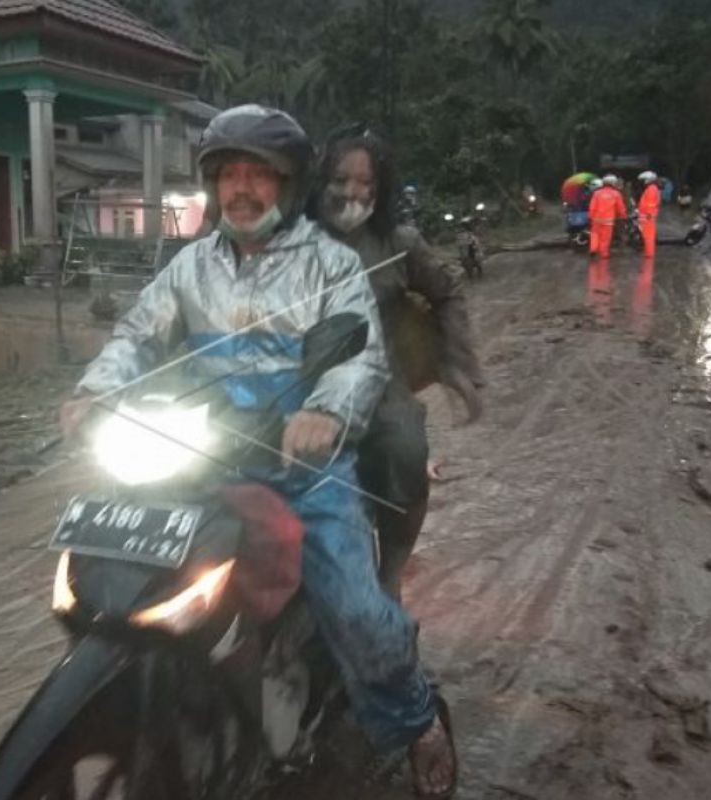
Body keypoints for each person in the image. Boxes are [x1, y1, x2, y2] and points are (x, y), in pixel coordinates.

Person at [60, 105, 457, 797]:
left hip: (303, 467)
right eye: (227, 175)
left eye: (258, 175)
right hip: (198, 460)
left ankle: (414, 715)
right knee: (112, 576)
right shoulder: (189, 268)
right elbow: (137, 334)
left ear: (290, 184)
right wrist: (95, 390)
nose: (241, 189)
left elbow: (356, 357)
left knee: (359, 612)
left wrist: (324, 412)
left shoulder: (330, 264)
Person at [308, 122, 483, 600]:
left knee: (406, 450)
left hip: (379, 384)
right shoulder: (291, 243)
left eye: (366, 183)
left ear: (380, 190)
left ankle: (391, 571)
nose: (352, 192)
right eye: (341, 180)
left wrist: (456, 363)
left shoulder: (399, 243)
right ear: (320, 181)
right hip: (297, 382)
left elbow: (448, 292)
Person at [588, 174, 628, 258]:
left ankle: (593, 249)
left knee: (595, 234)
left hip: (596, 219)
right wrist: (623, 216)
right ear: (613, 183)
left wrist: (590, 216)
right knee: (605, 238)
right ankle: (604, 254)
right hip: (608, 220)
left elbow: (592, 206)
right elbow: (620, 207)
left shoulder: (597, 193)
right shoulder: (616, 194)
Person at [637, 171, 661, 257]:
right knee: (648, 237)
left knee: (649, 237)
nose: (642, 182)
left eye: (643, 180)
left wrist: (649, 214)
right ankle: (649, 253)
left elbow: (650, 204)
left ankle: (649, 254)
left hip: (647, 218)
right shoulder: (651, 188)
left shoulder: (651, 189)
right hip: (646, 217)